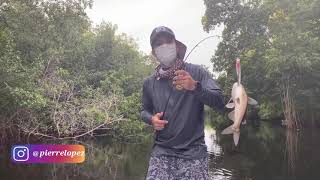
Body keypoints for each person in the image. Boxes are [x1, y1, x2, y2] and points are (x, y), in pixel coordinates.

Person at [140, 26, 224, 180]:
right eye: (159, 44)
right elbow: (143, 111)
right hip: (162, 152)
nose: (164, 46)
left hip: (194, 153)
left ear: (176, 45)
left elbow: (219, 101)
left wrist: (195, 87)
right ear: (153, 52)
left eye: (168, 41)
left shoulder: (197, 72)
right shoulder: (149, 83)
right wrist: (151, 119)